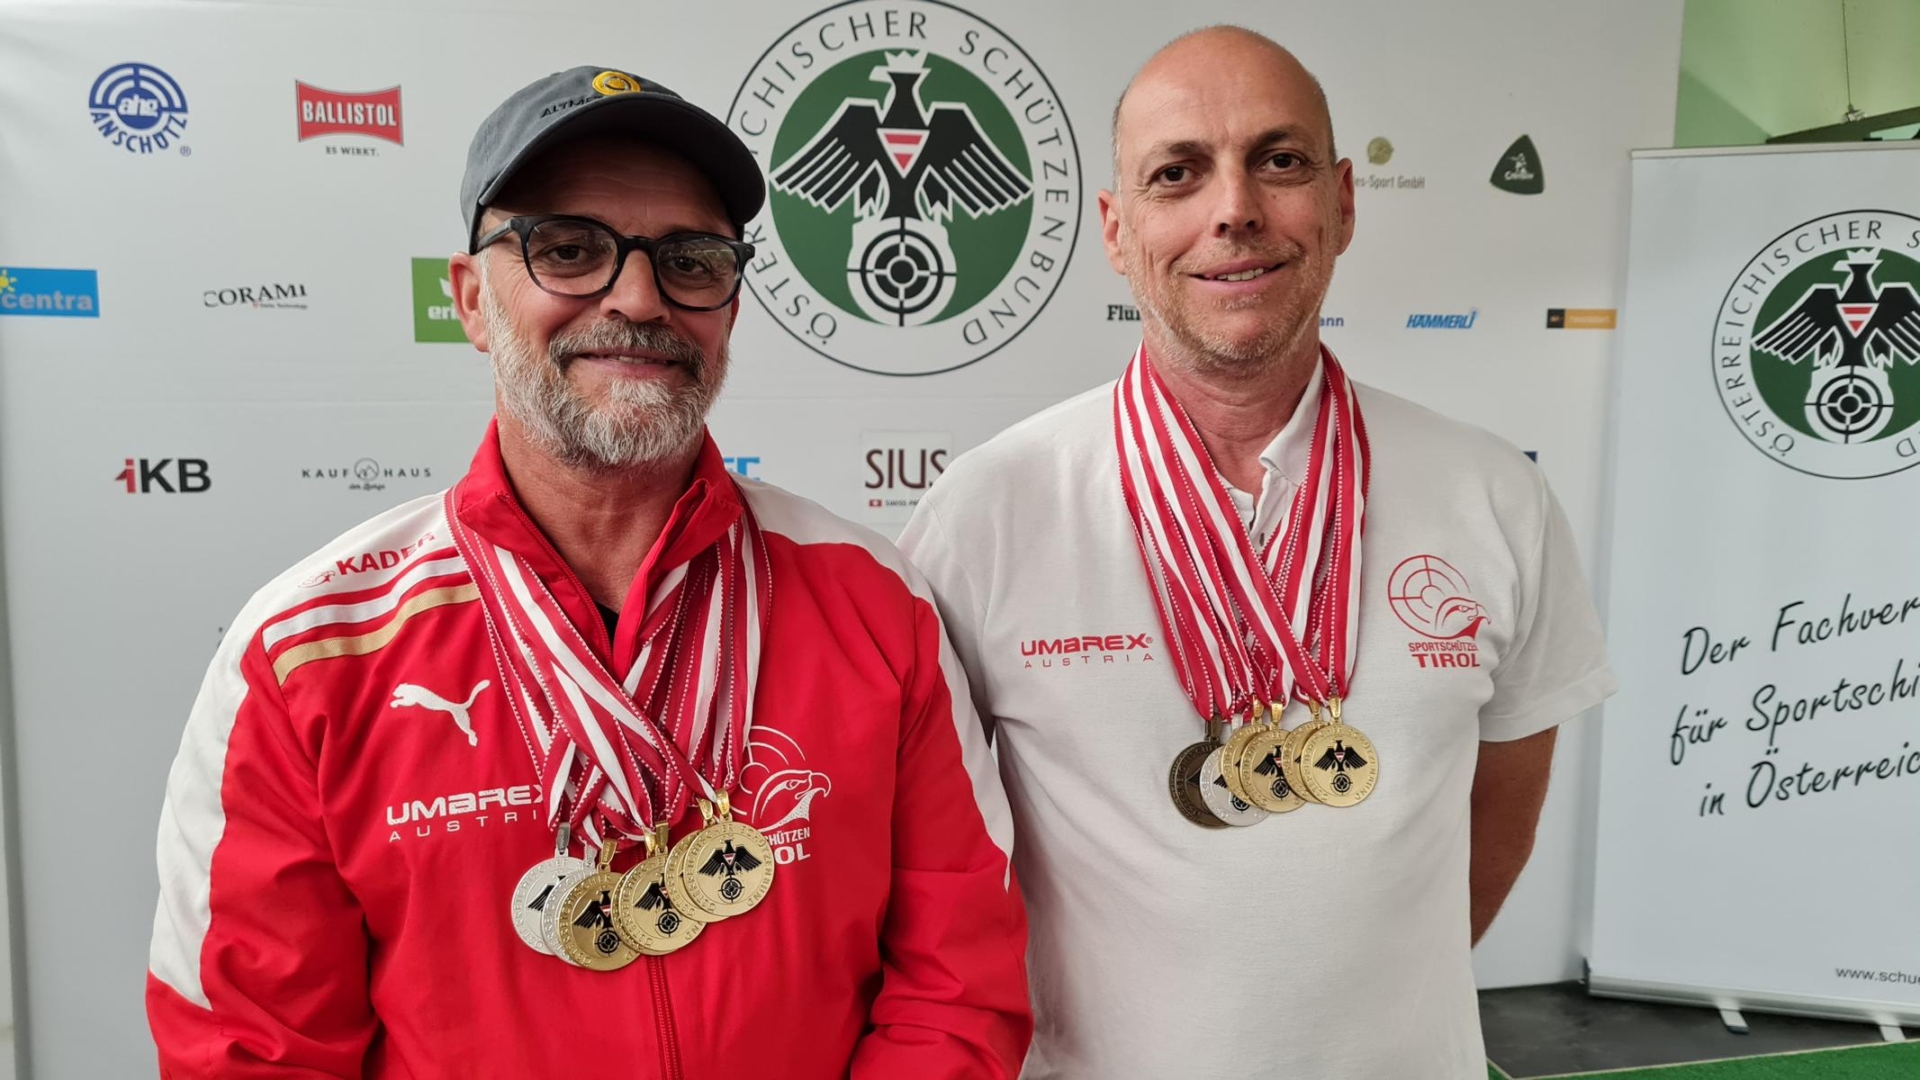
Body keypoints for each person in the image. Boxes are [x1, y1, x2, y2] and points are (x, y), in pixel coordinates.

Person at [146, 65, 1031, 1079]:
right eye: (569, 250)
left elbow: (956, 986)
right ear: (472, 299)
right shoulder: (310, 650)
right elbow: (256, 1049)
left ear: (731, 306)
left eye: (690, 260)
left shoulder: (871, 599)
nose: (640, 298)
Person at [898, 27, 1615, 1080]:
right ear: (1116, 229)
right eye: (1177, 173)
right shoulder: (987, 510)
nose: (1233, 208)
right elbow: (929, 871)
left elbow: (1500, 809)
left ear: (1343, 204)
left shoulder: (1494, 492)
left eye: (1278, 161)